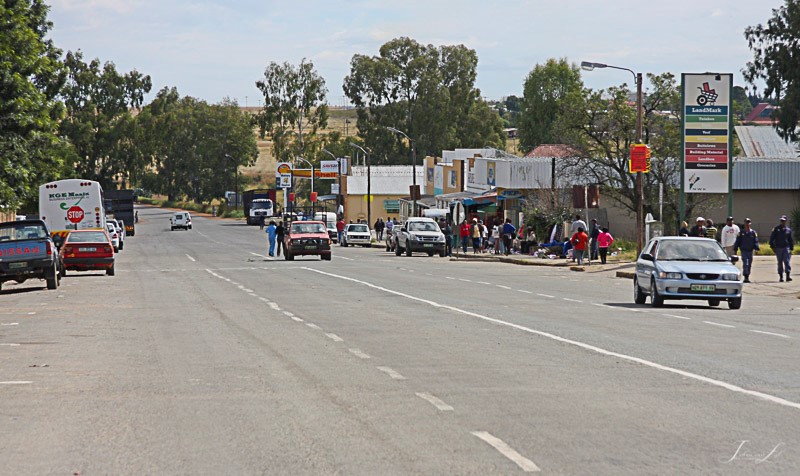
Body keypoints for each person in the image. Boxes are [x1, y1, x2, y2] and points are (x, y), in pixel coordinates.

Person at [769, 215, 794, 282]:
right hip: (778, 248)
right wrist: (773, 247)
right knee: (780, 262)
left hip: (786, 248)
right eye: (781, 220)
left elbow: (790, 240)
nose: (782, 222)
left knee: (787, 261)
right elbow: (772, 239)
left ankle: (788, 276)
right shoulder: (776, 229)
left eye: (783, 220)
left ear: (786, 221)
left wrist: (791, 248)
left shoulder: (788, 230)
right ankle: (781, 277)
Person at [734, 218, 759, 283]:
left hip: (750, 251)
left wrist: (756, 249)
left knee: (749, 264)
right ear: (744, 223)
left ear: (750, 223)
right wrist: (735, 249)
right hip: (744, 251)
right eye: (746, 222)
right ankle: (746, 276)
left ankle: (747, 275)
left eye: (748, 222)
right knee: (746, 263)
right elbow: (737, 241)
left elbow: (756, 241)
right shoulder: (741, 233)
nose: (747, 224)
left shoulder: (753, 232)